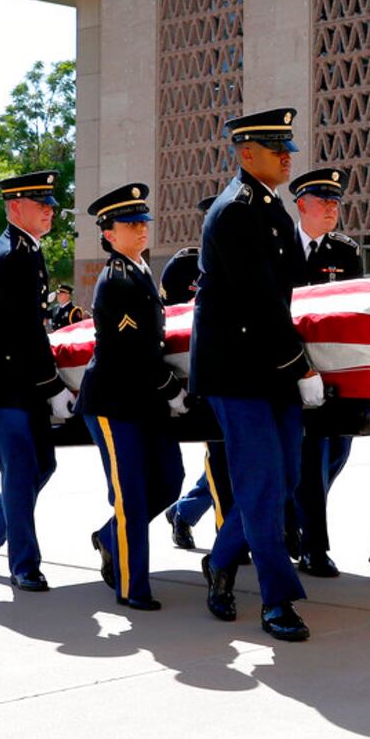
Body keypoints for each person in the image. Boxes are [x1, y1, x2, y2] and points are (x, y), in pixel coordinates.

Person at [191, 107, 322, 643]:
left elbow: (294, 291)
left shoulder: (272, 209)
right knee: (264, 484)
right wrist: (301, 366)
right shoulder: (234, 211)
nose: (288, 156)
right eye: (277, 149)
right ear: (247, 154)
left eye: (288, 147)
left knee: (286, 476)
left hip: (271, 365)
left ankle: (221, 560)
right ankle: (277, 600)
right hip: (237, 370)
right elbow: (261, 303)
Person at [0, 170, 74, 591]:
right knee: (22, 469)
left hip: (16, 377)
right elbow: (26, 334)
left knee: (43, 463)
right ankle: (25, 565)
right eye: (41, 205)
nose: (48, 211)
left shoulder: (26, 250)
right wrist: (54, 387)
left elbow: (28, 332)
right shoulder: (12, 256)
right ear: (14, 207)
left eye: (50, 205)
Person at [78, 183, 188, 610]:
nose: (140, 230)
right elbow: (133, 354)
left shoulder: (142, 272)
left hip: (145, 401)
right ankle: (130, 586)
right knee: (132, 495)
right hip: (115, 402)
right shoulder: (118, 281)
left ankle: (110, 537)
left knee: (170, 481)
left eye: (143, 222)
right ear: (108, 233)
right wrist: (171, 389)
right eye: (129, 224)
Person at [287, 167, 363, 577]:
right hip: (286, 368)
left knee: (333, 453)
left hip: (330, 373)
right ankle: (313, 546)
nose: (333, 208)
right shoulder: (280, 247)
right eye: (324, 200)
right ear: (302, 205)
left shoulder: (345, 252)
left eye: (336, 201)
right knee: (304, 458)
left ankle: (300, 524)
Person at [160, 195, 233, 552]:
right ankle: (227, 542)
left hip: (238, 375)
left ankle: (184, 513)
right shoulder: (184, 266)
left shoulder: (242, 262)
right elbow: (170, 324)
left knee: (234, 457)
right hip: (198, 379)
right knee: (222, 458)